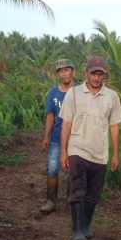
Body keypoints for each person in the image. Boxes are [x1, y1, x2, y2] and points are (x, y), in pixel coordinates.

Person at [60, 56, 121, 240]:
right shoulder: (74, 93)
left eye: (100, 74)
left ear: (105, 76)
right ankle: (77, 229)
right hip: (77, 148)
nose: (97, 78)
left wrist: (116, 154)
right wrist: (64, 151)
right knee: (78, 189)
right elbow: (66, 124)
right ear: (86, 73)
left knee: (93, 193)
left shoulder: (112, 97)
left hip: (100, 152)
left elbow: (114, 126)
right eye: (93, 73)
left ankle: (86, 224)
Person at [40, 59, 75, 214]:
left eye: (67, 70)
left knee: (73, 170)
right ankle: (50, 200)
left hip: (75, 138)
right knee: (52, 168)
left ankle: (71, 200)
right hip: (56, 137)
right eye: (61, 71)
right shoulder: (53, 93)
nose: (65, 73)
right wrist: (46, 136)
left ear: (73, 72)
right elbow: (50, 116)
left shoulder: (79, 91)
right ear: (58, 74)